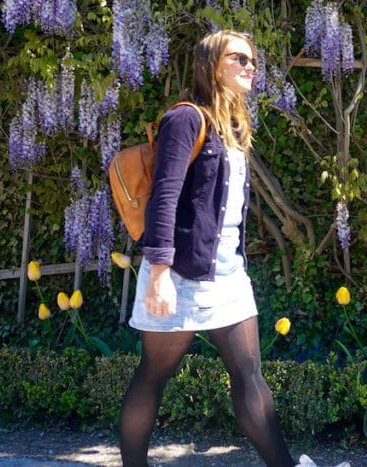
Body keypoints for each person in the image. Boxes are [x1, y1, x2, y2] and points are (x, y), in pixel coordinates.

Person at [119, 30, 349, 467]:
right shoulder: (184, 119)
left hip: (227, 274)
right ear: (212, 65)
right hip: (180, 273)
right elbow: (165, 197)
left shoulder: (234, 124)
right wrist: (161, 273)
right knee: (153, 376)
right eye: (239, 59)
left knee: (249, 374)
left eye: (253, 61)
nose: (250, 67)